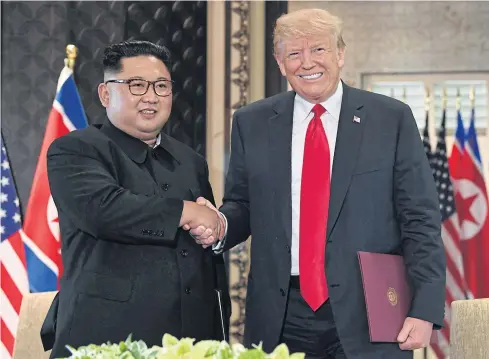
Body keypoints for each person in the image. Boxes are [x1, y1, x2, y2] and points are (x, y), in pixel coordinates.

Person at [190, 8, 446, 359]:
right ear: (281, 64)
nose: (307, 62)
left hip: (370, 310)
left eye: (319, 50)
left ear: (340, 54)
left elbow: (420, 219)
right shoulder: (252, 122)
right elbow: (244, 205)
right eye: (294, 53)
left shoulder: (391, 119)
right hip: (281, 313)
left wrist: (424, 308)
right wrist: (219, 224)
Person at [42, 40, 230, 358]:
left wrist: (213, 230)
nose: (151, 97)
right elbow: (104, 211)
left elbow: (204, 236)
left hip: (192, 340)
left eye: (161, 86)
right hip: (107, 337)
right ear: (105, 93)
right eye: (137, 85)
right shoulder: (76, 149)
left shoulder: (190, 160)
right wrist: (187, 213)